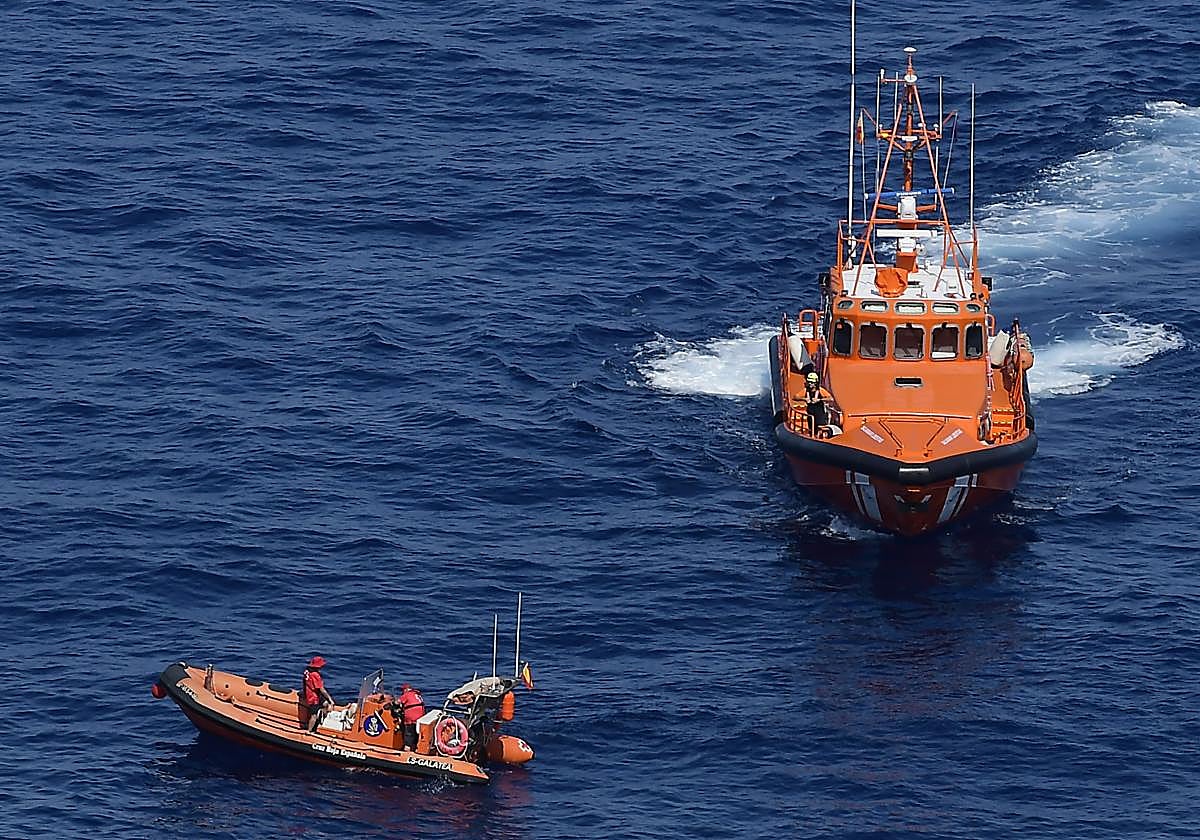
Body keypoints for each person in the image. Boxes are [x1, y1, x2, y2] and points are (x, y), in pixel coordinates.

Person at [302, 655, 335, 732]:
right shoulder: (315, 675)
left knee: (326, 704)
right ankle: (309, 731)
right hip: (313, 697)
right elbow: (322, 689)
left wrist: (304, 692)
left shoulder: (307, 671)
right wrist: (330, 699)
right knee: (313, 715)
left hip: (311, 693)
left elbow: (304, 682)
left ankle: (321, 719)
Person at [395, 683, 426, 750]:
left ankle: (407, 749)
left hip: (411, 718)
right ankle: (415, 747)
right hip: (421, 717)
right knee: (416, 734)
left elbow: (397, 702)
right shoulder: (416, 694)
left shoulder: (406, 695)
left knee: (409, 733)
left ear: (405, 690)